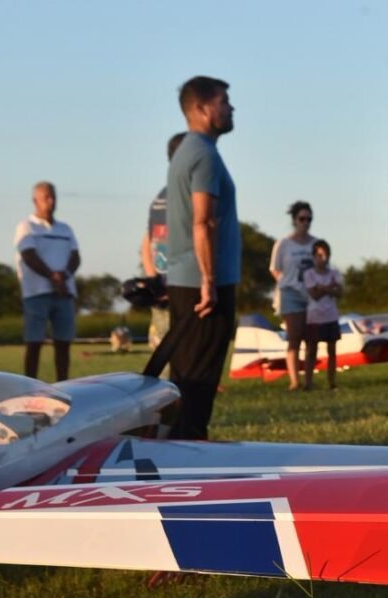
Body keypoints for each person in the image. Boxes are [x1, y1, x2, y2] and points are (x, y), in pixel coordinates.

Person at [165, 76, 240, 440]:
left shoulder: (189, 150)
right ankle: (189, 449)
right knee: (198, 380)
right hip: (204, 285)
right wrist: (209, 281)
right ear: (201, 109)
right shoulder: (204, 155)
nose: (231, 108)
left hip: (187, 280)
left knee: (186, 377)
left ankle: (182, 444)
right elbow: (203, 221)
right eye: (223, 101)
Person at [14, 181, 79, 381]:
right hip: (37, 293)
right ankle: (29, 385)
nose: (50, 202)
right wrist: (52, 276)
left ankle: (63, 385)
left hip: (64, 292)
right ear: (35, 200)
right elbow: (28, 255)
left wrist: (63, 276)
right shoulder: (27, 226)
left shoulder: (65, 229)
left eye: (53, 197)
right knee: (34, 343)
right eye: (46, 198)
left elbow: (75, 256)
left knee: (63, 343)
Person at [142, 132, 187, 353]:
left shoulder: (159, 197)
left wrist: (154, 280)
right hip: (182, 287)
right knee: (183, 352)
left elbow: (147, 242)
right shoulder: (187, 195)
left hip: (161, 286)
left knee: (163, 352)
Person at [270, 201, 318, 390]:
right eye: (302, 219)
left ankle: (309, 381)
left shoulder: (316, 243)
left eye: (309, 219)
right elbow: (274, 268)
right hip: (290, 293)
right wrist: (287, 282)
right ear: (294, 220)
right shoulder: (283, 244)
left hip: (312, 294)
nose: (305, 223)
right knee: (294, 336)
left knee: (312, 339)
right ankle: (294, 381)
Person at [302, 240, 342, 390]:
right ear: (314, 256)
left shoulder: (334, 273)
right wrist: (330, 288)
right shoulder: (309, 274)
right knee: (311, 350)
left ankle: (332, 382)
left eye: (326, 255)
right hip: (314, 317)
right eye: (319, 255)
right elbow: (314, 295)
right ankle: (308, 383)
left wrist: (322, 287)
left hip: (331, 316)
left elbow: (340, 292)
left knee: (332, 351)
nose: (323, 258)